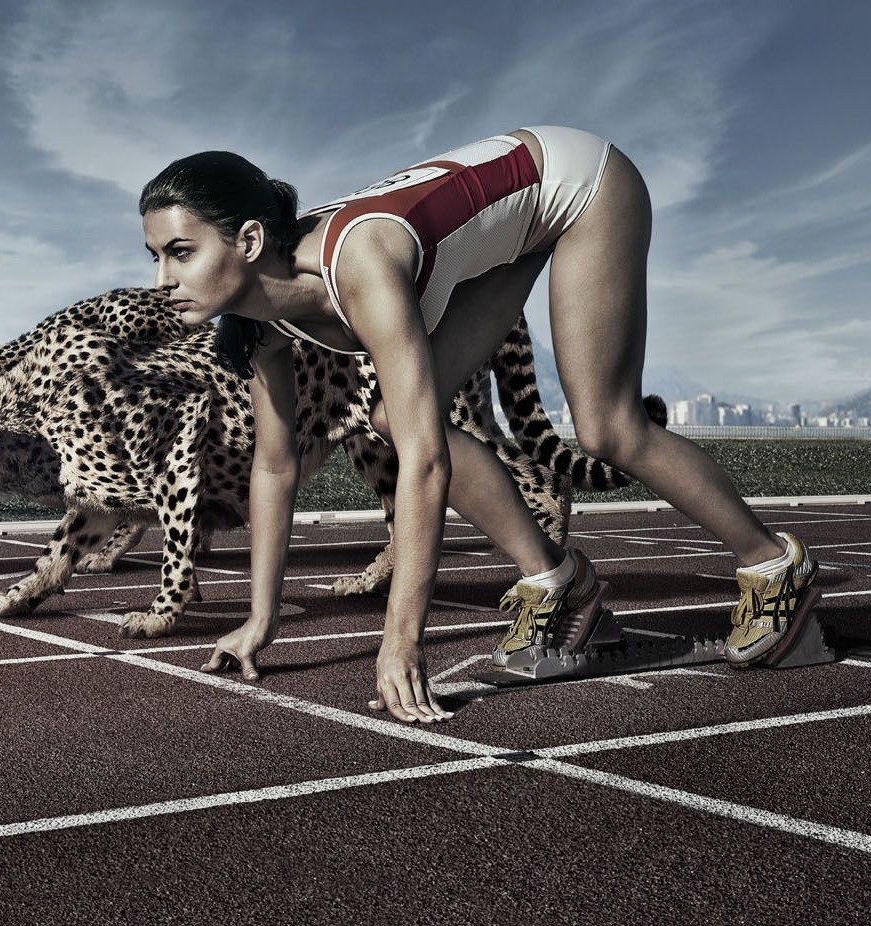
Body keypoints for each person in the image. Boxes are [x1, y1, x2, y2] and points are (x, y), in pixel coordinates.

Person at [137, 126, 821, 724]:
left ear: (250, 240)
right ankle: (560, 585)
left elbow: (424, 463)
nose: (163, 278)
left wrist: (402, 643)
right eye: (156, 257)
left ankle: (774, 567)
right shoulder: (259, 322)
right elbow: (276, 465)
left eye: (180, 252)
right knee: (389, 416)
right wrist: (262, 619)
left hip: (578, 183)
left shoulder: (358, 262)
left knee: (608, 427)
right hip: (512, 220)